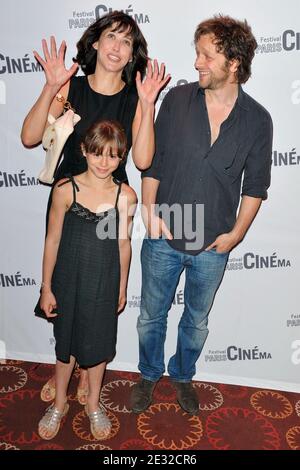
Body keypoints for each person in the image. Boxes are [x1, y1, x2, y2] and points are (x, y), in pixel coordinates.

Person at [21, 10, 170, 404]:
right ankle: (65, 374)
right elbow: (29, 136)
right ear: (96, 42)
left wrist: (148, 104)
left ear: (132, 52)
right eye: (111, 37)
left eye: (126, 41)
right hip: (67, 203)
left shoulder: (134, 98)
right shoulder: (71, 87)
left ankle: (89, 380)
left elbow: (141, 160)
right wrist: (50, 86)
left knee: (98, 302)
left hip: (108, 211)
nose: (117, 47)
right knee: (65, 295)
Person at [130, 15, 273, 415]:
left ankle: (182, 376)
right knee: (150, 316)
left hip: (213, 244)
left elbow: (255, 186)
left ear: (234, 63)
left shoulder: (259, 120)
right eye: (197, 53)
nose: (197, 63)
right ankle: (147, 374)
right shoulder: (176, 100)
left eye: (207, 56)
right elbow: (153, 162)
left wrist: (236, 236)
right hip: (164, 235)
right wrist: (149, 212)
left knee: (196, 321)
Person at [37, 119, 137, 440]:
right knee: (65, 346)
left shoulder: (126, 195)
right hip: (68, 281)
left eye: (112, 156)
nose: (104, 162)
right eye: (97, 154)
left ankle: (93, 404)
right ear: (84, 150)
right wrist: (46, 287)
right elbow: (51, 240)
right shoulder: (65, 189)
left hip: (103, 284)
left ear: (121, 158)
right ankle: (59, 403)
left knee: (97, 347)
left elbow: (124, 244)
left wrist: (121, 287)